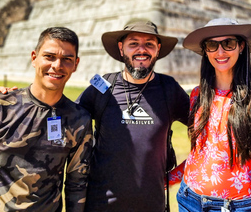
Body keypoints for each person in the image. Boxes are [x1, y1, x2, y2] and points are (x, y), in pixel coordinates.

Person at [0, 27, 93, 212]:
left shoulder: (79, 119)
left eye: (67, 59)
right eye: (49, 56)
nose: (57, 65)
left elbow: (77, 184)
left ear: (76, 64)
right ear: (34, 58)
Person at [77, 19, 190, 211]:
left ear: (158, 49)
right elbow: (65, 118)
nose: (141, 50)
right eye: (133, 43)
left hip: (152, 206)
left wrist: (177, 174)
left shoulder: (169, 89)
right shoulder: (103, 87)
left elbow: (209, 134)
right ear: (121, 49)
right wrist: (17, 99)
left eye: (149, 44)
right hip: (101, 205)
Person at [170, 18, 251, 212]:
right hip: (190, 201)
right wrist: (168, 178)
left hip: (239, 206)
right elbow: (202, 153)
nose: (220, 52)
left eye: (228, 43)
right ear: (205, 50)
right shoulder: (197, 94)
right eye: (212, 45)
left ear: (241, 46)